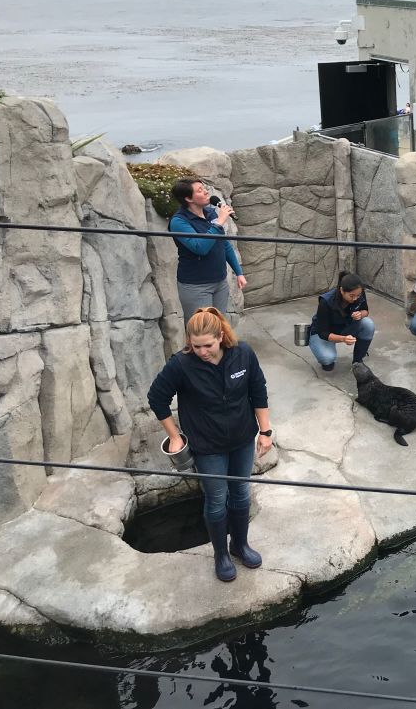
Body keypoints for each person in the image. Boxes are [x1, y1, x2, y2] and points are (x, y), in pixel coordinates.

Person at [147, 307, 273, 582]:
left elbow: (258, 390)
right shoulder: (181, 364)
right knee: (217, 499)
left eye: (207, 345)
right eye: (195, 346)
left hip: (241, 438)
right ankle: (221, 555)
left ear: (221, 336)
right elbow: (157, 398)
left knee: (240, 493)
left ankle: (239, 545)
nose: (202, 351)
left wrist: (265, 431)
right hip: (207, 445)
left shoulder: (243, 354)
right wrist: (176, 436)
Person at [169, 177, 246, 326]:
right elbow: (200, 248)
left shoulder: (210, 213)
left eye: (204, 188)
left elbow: (223, 245)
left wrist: (239, 272)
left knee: (219, 327)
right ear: (188, 198)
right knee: (202, 329)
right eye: (199, 190)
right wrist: (218, 223)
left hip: (219, 282)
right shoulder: (179, 222)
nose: (205, 192)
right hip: (196, 286)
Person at [309, 271, 375, 372]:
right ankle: (318, 346)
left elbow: (365, 310)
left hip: (345, 326)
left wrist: (361, 314)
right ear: (341, 290)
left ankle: (357, 361)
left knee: (368, 324)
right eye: (351, 295)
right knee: (327, 359)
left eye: (358, 295)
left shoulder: (358, 293)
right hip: (324, 333)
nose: (355, 298)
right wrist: (344, 339)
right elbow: (323, 333)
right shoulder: (325, 302)